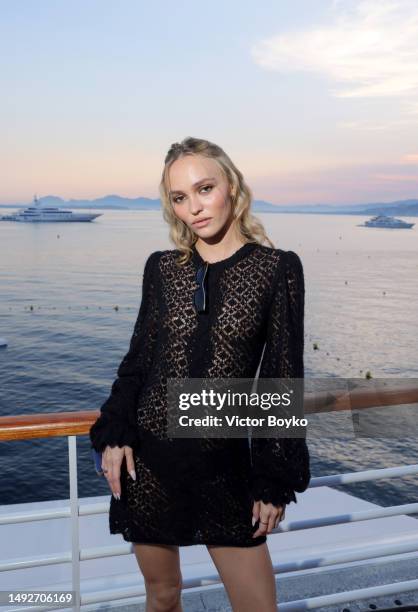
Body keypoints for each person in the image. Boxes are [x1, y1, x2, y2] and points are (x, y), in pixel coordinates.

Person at [89, 136, 311, 612]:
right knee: (163, 597)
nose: (195, 207)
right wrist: (116, 433)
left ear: (231, 184)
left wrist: (272, 479)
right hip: (146, 463)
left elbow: (282, 377)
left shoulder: (277, 270)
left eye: (205, 188)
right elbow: (137, 363)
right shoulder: (162, 268)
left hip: (223, 468)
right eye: (179, 197)